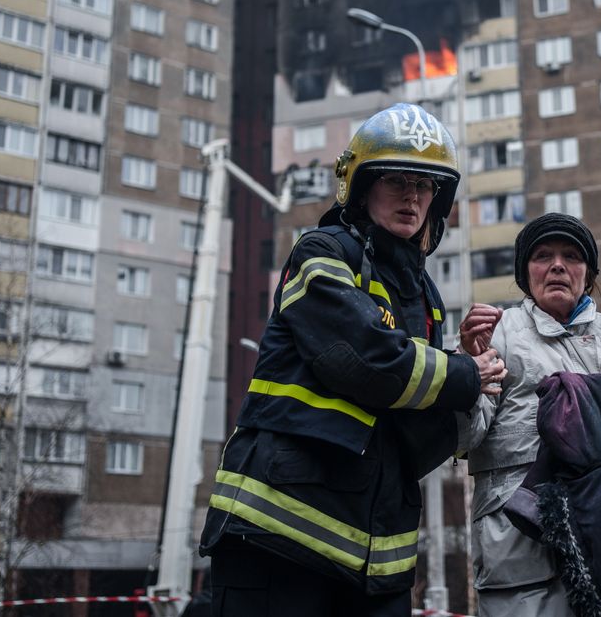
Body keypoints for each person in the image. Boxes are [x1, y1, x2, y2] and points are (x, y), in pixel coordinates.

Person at [199, 103, 506, 617]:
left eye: (425, 185)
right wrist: (461, 374)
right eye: (397, 180)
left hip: (376, 563)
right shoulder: (322, 252)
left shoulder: (425, 297)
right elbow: (361, 361)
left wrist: (471, 389)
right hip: (277, 536)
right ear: (361, 188)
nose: (413, 196)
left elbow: (410, 431)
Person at [458, 213, 601, 616]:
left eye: (571, 256)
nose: (557, 266)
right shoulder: (496, 335)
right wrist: (466, 372)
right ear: (525, 274)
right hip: (521, 554)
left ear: (589, 273)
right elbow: (463, 437)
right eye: (542, 256)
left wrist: (592, 420)